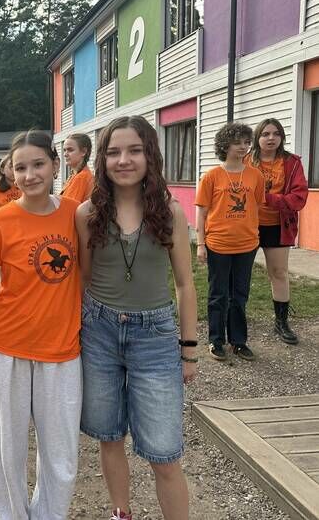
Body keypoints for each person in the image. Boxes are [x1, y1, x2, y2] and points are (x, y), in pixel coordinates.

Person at [76, 116, 197, 520]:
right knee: (109, 436)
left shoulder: (170, 212)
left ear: (150, 155)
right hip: (99, 331)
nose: (123, 160)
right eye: (113, 152)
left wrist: (189, 350)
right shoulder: (87, 213)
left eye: (134, 150)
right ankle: (121, 512)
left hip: (155, 335)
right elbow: (84, 279)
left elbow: (185, 284)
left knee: (164, 452)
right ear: (102, 160)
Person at [0, 130, 82, 519]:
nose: (30, 175)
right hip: (6, 349)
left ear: (55, 164)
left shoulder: (75, 213)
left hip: (62, 351)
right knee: (7, 450)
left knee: (61, 454)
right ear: (11, 173)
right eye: (20, 168)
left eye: (38, 165)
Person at [196, 122, 264, 362]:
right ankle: (216, 340)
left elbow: (257, 206)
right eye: (237, 142)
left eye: (246, 142)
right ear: (225, 145)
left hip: (247, 244)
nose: (243, 147)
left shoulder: (256, 175)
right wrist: (200, 244)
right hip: (218, 244)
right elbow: (202, 212)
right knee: (218, 294)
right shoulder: (212, 176)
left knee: (240, 295)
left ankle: (239, 342)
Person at [246, 118, 308, 344]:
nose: (271, 138)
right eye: (265, 134)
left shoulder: (292, 163)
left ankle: (281, 323)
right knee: (239, 275)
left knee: (279, 273)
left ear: (281, 137)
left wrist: (269, 199)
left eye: (276, 133)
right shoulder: (245, 160)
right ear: (257, 138)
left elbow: (299, 197)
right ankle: (234, 323)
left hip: (278, 226)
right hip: (247, 225)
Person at [61, 132, 94, 203]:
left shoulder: (81, 177)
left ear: (83, 152)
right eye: (64, 150)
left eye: (70, 150)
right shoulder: (75, 175)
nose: (65, 154)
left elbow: (68, 207)